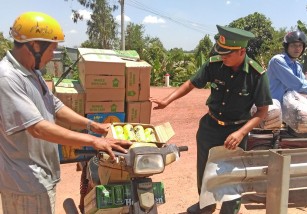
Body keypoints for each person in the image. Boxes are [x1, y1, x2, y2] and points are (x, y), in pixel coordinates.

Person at [0, 12, 132, 214]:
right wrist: (93, 141)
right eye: (51, 48)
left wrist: (92, 125)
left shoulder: (32, 72)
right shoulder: (8, 78)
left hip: (40, 175)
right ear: (35, 46)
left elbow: (56, 106)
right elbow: (37, 128)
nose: (53, 54)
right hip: (25, 182)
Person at [150, 25, 273, 214]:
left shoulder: (256, 75)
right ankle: (205, 205)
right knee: (204, 169)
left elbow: (262, 112)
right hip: (210, 126)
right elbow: (191, 83)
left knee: (233, 174)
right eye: (221, 52)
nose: (223, 56)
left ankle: (229, 209)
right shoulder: (214, 64)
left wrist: (240, 133)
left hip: (236, 131)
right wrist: (167, 100)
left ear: (242, 51)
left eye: (228, 54)